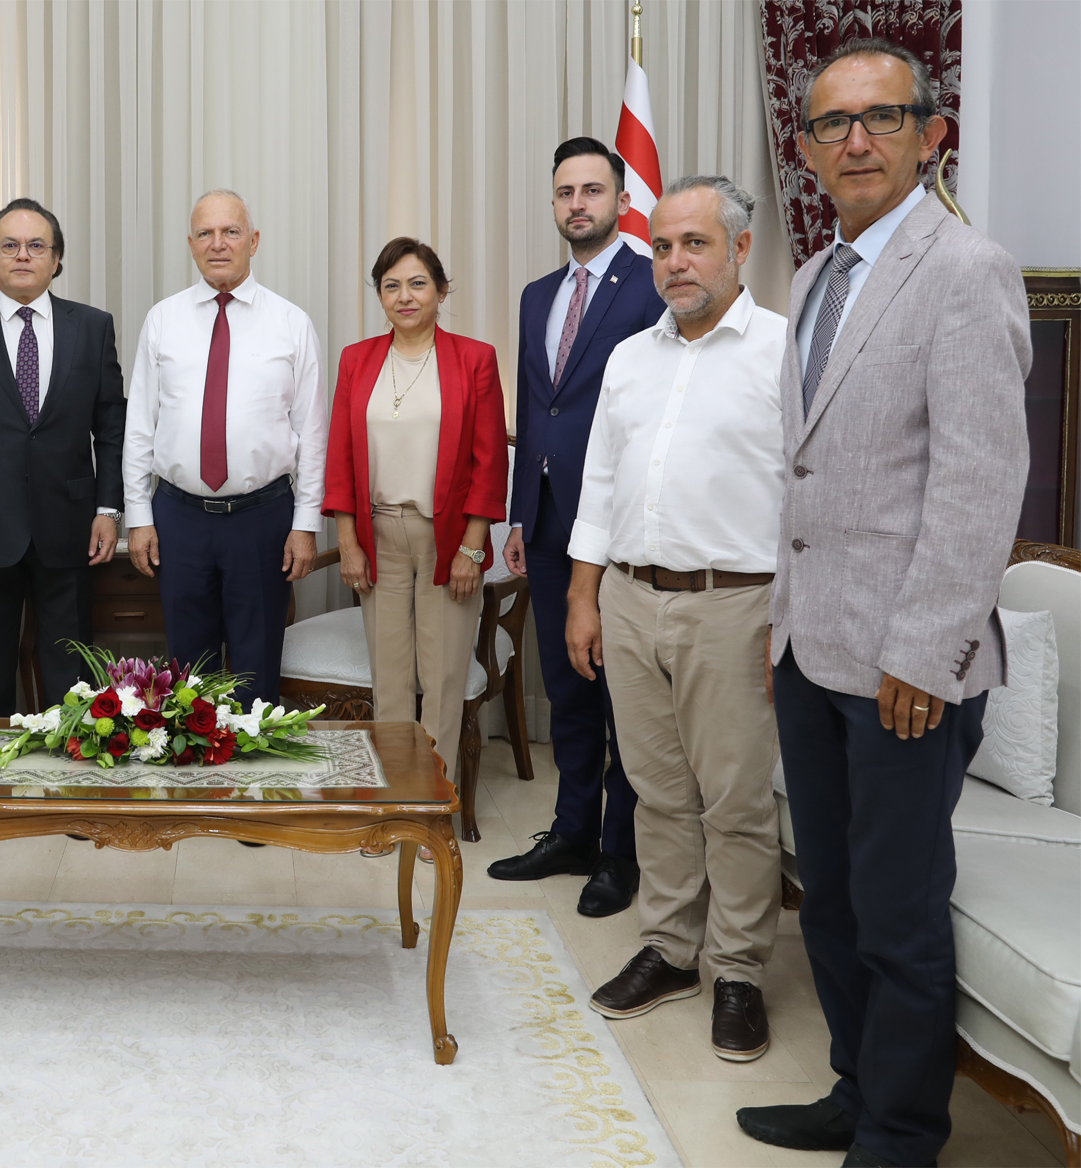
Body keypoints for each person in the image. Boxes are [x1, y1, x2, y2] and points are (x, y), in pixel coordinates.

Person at [734, 40, 1031, 1168]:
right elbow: (805, 474)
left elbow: (979, 482)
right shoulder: (815, 276)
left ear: (930, 134)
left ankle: (902, 1137)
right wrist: (781, 626)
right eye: (832, 124)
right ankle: (856, 1092)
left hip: (908, 665)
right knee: (832, 897)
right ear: (807, 149)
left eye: (882, 117)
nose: (855, 140)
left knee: (899, 912)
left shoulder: (967, 268)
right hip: (813, 647)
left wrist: (926, 650)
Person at [565, 176, 786, 1063]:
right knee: (654, 789)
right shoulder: (630, 357)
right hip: (628, 598)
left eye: (695, 243)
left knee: (734, 801)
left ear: (740, 249)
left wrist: (790, 619)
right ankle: (669, 949)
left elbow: (807, 498)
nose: (675, 262)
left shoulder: (783, 351)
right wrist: (583, 596)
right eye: (661, 246)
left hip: (735, 606)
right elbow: (599, 483)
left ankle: (738, 971)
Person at [488, 137, 667, 918]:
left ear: (622, 199)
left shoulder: (652, 282)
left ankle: (620, 853)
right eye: (565, 192)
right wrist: (520, 513)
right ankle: (571, 833)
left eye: (592, 190)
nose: (577, 204)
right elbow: (537, 410)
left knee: (623, 693)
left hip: (622, 523)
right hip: (550, 520)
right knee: (566, 688)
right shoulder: (538, 296)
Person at [0, 198, 125, 713]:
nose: (23, 255)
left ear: (57, 258)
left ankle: (65, 762)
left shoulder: (92, 327)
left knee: (71, 678)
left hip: (70, 524)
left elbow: (112, 428)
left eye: (36, 245)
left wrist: (108, 509)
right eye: (8, 245)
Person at [122, 189, 327, 709]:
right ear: (191, 244)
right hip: (179, 518)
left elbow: (312, 433)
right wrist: (138, 516)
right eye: (205, 233)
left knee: (257, 669)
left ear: (253, 241)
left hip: (263, 518)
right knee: (187, 674)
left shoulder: (291, 323)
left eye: (231, 232)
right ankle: (196, 760)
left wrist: (305, 523)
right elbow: (139, 425)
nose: (218, 243)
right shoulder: (162, 320)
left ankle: (256, 762)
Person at [323, 237, 508, 789]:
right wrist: (348, 543)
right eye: (391, 286)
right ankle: (396, 798)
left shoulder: (474, 359)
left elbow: (489, 461)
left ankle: (433, 801)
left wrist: (472, 549)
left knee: (444, 679)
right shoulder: (357, 360)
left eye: (418, 283)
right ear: (380, 296)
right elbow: (340, 458)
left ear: (442, 290)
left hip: (448, 538)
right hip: (377, 535)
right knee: (390, 680)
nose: (405, 296)